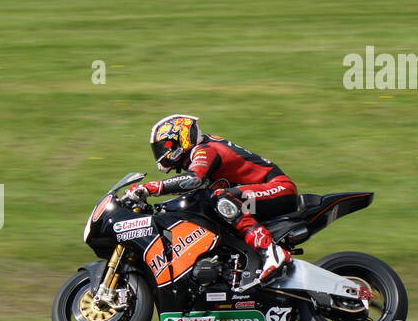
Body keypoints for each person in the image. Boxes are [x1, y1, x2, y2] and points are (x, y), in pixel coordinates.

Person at [126, 114, 297, 289]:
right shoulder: (200, 152)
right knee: (204, 203)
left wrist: (150, 188)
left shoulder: (204, 149)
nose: (162, 153)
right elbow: (192, 193)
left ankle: (271, 251)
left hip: (279, 188)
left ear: (181, 138)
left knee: (221, 198)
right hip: (253, 197)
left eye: (166, 146)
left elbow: (193, 180)